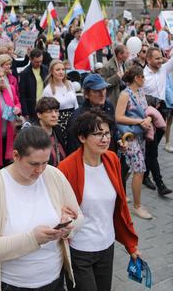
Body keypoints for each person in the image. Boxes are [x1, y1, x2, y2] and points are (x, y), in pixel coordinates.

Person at [0, 126, 82, 291]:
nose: (40, 171)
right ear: (16, 156)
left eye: (45, 163)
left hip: (55, 281)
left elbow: (79, 216)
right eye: (34, 164)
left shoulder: (53, 175)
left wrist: (69, 227)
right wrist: (33, 239)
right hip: (13, 285)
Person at [58, 111, 141, 291]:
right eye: (97, 134)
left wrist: (131, 245)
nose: (105, 139)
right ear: (82, 137)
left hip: (106, 246)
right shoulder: (66, 168)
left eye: (107, 133)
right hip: (79, 250)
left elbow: (120, 207)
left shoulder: (112, 159)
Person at [142, 33, 173, 195]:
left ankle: (145, 175)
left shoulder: (163, 70)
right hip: (147, 114)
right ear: (148, 60)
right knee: (152, 150)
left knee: (151, 148)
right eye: (156, 58)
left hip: (162, 112)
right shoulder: (142, 76)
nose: (160, 60)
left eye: (161, 57)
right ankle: (160, 184)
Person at [116, 66, 156, 219]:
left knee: (132, 168)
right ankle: (137, 206)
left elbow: (146, 111)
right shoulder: (125, 95)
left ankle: (120, 191)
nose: (145, 80)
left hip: (140, 135)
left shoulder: (140, 92)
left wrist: (148, 119)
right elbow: (118, 117)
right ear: (136, 78)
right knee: (139, 170)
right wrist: (139, 121)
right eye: (143, 77)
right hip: (130, 136)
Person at [42, 59, 79, 143]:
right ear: (52, 71)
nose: (61, 72)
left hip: (73, 120)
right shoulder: (48, 90)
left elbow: (76, 104)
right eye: (58, 70)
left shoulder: (69, 84)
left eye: (63, 69)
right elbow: (46, 110)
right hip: (58, 123)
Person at [32, 96, 67, 166]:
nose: (54, 115)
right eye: (49, 112)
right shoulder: (33, 134)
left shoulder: (58, 129)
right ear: (39, 115)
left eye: (56, 111)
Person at [19, 48, 49, 121]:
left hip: (45, 104)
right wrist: (25, 112)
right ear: (30, 59)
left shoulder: (45, 69)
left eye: (40, 61)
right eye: (36, 62)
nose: (39, 63)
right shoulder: (24, 73)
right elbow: (22, 94)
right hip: (32, 107)